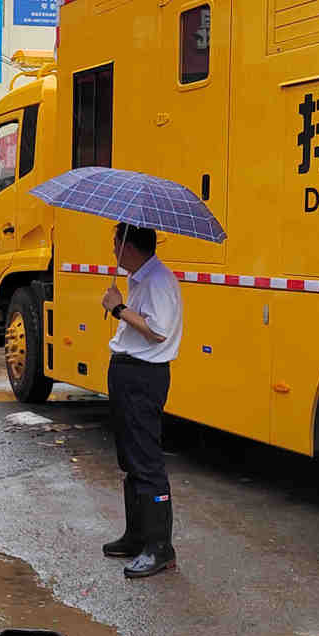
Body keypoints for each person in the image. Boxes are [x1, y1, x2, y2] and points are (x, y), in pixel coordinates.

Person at [100, 223, 184, 579]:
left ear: (128, 247)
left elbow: (158, 329)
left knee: (146, 462)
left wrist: (118, 309)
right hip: (128, 372)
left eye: (115, 243)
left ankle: (160, 548)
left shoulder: (158, 281)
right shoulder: (141, 279)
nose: (113, 249)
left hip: (142, 377)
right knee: (130, 459)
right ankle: (136, 536)